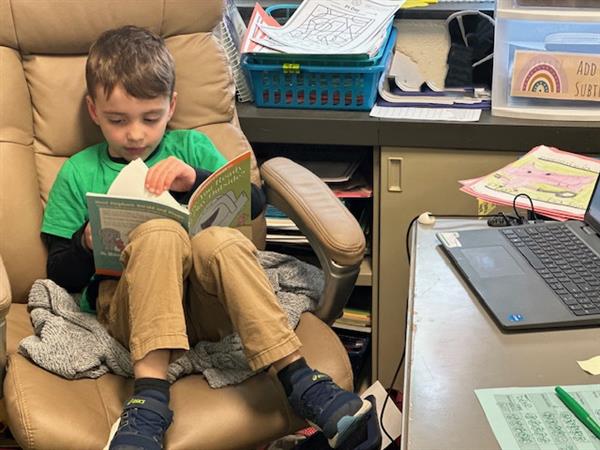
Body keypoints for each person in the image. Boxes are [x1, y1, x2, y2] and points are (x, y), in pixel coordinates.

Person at [41, 25, 371, 450]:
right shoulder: (78, 171)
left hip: (209, 306)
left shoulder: (192, 148)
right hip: (131, 309)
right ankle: (148, 401)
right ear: (93, 110)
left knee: (223, 242)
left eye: (151, 118)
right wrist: (87, 242)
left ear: (171, 106)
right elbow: (58, 272)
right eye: (117, 120)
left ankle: (300, 379)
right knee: (159, 233)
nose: (136, 135)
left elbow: (251, 202)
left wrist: (193, 178)